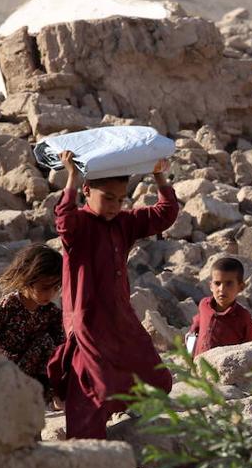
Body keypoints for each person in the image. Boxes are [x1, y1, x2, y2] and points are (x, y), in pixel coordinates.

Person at [47, 149, 179, 439]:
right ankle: (88, 449)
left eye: (120, 199)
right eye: (107, 197)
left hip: (120, 317)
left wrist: (158, 175)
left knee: (155, 376)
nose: (114, 206)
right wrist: (70, 176)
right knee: (93, 386)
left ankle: (133, 416)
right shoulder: (79, 226)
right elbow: (63, 222)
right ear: (86, 191)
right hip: (89, 321)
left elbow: (165, 214)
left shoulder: (124, 222)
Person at [0, 243, 64, 406]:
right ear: (27, 280)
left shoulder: (51, 313)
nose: (50, 294)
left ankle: (56, 395)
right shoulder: (9, 307)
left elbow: (60, 348)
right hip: (8, 374)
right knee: (44, 342)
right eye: (44, 288)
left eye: (55, 287)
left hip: (36, 383)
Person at [188, 256, 252, 357]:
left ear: (241, 287)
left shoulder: (242, 317)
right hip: (200, 366)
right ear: (211, 286)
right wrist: (189, 355)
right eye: (217, 283)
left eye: (229, 283)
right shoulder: (204, 305)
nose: (222, 289)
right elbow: (193, 332)